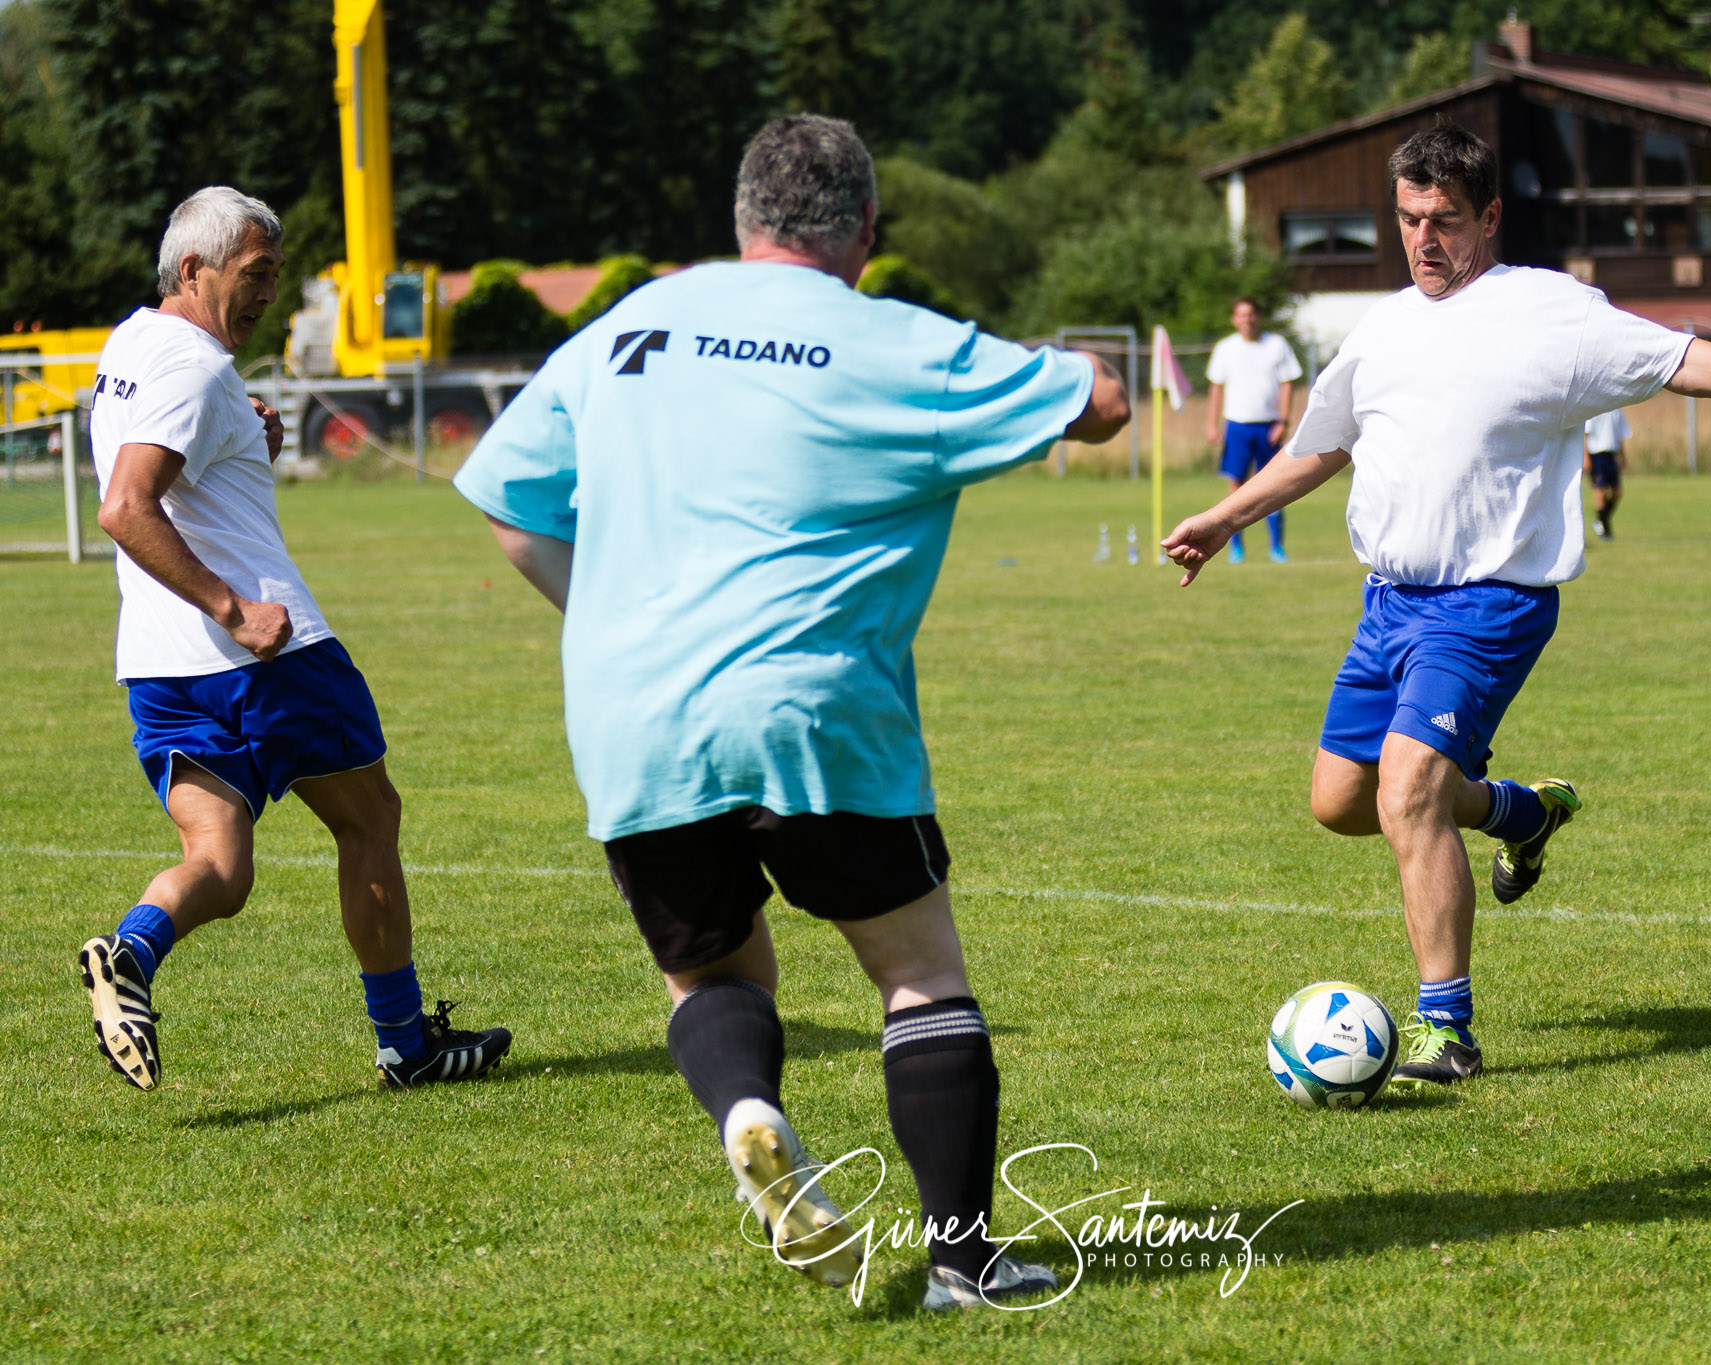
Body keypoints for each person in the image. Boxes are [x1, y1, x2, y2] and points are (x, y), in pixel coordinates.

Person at [455, 115, 1128, 1310]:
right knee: (917, 972)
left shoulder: (630, 324)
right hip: (810, 711)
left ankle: (752, 1111)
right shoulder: (896, 342)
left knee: (713, 973)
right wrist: (1048, 364)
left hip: (633, 711)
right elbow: (1106, 405)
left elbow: (508, 499)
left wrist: (608, 614)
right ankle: (966, 1268)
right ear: (864, 231)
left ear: (742, 222)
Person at [1162, 125, 1711, 1090]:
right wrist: (1227, 515)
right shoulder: (1383, 326)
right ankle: (1519, 812)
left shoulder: (1551, 313)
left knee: (1407, 792)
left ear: (1490, 217)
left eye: (1443, 221)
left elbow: (1682, 358)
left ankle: (1448, 1028)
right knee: (1343, 803)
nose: (1423, 240)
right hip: (1388, 603)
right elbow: (1325, 443)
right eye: (1407, 219)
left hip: (1490, 601)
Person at [80, 187, 511, 1093]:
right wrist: (234, 608)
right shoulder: (194, 367)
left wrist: (247, 436)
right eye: (257, 271)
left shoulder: (132, 345)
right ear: (193, 267)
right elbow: (126, 505)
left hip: (160, 665)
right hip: (264, 655)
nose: (271, 290)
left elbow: (175, 471)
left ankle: (130, 952)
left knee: (221, 866)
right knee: (371, 818)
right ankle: (406, 1045)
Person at [1205, 297, 1302, 563]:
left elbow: (1287, 384)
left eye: (1251, 314)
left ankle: (1276, 547)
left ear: (1258, 317)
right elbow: (1216, 387)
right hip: (1237, 425)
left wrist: (1283, 421)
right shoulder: (1225, 348)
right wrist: (1212, 424)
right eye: (1241, 315)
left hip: (1268, 426)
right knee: (1236, 486)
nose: (1246, 319)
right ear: (1234, 319)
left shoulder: (1276, 345)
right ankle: (1236, 546)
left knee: (1274, 486)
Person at [1583, 409, 1629, 540]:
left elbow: (1620, 435)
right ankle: (1605, 529)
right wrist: (1586, 458)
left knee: (1616, 492)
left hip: (1611, 455)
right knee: (1600, 492)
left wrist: (1622, 457)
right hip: (1596, 455)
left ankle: (1600, 519)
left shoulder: (1617, 410)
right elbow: (1586, 434)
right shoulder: (1596, 407)